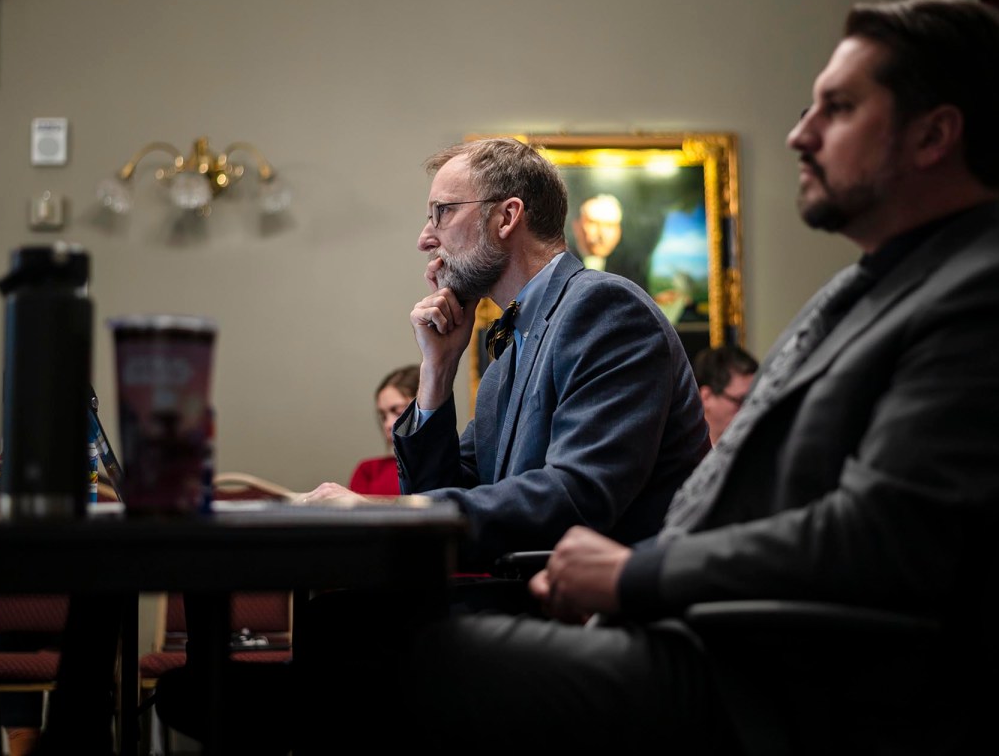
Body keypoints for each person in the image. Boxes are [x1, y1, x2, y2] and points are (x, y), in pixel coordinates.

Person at [358, 0, 999, 755]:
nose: (798, 134)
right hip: (719, 630)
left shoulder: (988, 290)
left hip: (798, 674)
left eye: (838, 108)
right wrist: (436, 373)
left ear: (934, 135)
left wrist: (635, 577)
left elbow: (879, 535)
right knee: (372, 627)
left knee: (411, 655)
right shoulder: (875, 287)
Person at [300, 137, 709, 573]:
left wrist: (379, 513)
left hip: (606, 613)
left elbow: (577, 496)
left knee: (345, 623)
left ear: (507, 217)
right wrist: (438, 371)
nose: (425, 239)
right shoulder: (512, 346)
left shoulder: (604, 308)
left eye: (443, 212)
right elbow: (441, 498)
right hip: (525, 596)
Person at [348, 365, 418, 496]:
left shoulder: (456, 466)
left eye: (397, 411)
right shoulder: (368, 471)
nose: (388, 424)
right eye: (383, 416)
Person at [692, 343, 758, 444]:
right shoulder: (682, 455)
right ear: (706, 397)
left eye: (755, 401)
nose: (751, 411)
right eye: (741, 401)